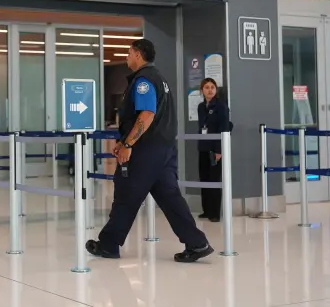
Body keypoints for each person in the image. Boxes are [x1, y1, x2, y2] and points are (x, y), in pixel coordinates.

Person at [86, 39, 213, 263]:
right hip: (163, 150)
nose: (126, 58)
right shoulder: (160, 79)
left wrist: (127, 144)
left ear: (137, 54)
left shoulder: (143, 80)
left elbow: (147, 114)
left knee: (126, 195)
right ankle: (197, 243)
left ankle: (108, 244)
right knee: (170, 197)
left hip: (145, 152)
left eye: (128, 53)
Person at [197, 78, 230, 222]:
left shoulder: (221, 106)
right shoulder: (200, 107)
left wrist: (219, 150)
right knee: (204, 178)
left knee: (214, 179)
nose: (209, 90)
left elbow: (224, 127)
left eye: (212, 87)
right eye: (206, 87)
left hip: (215, 148)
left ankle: (215, 212)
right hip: (203, 147)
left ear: (216, 90)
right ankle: (206, 210)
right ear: (202, 90)